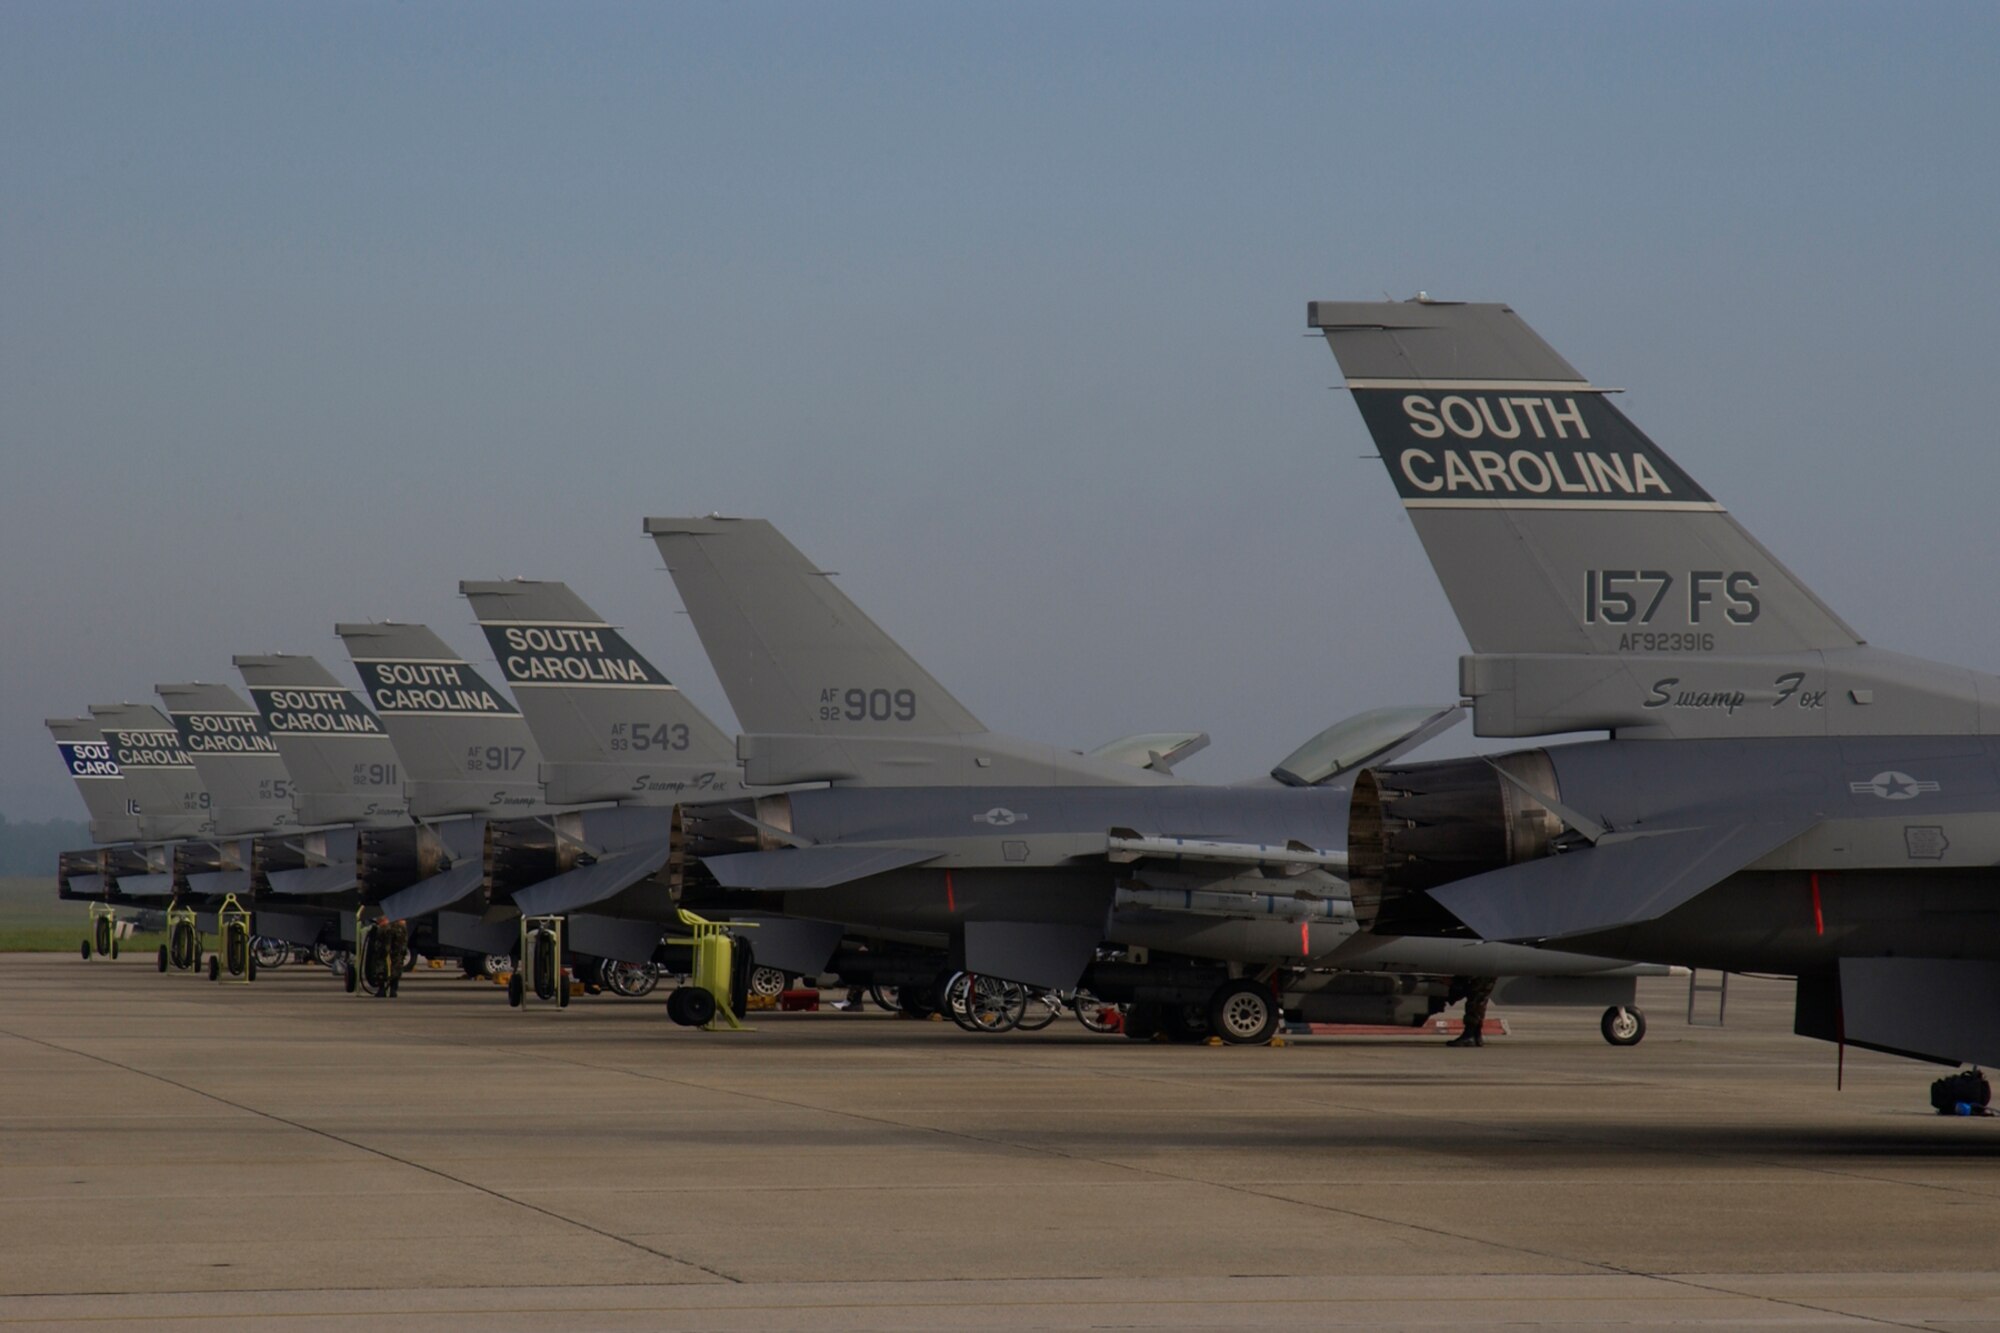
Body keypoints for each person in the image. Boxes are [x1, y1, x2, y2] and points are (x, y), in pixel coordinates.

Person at [1446, 974, 1495, 1047]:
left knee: (1474, 1003)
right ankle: (1476, 1036)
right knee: (1479, 1002)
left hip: (1481, 977)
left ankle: (1469, 1036)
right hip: (1486, 977)